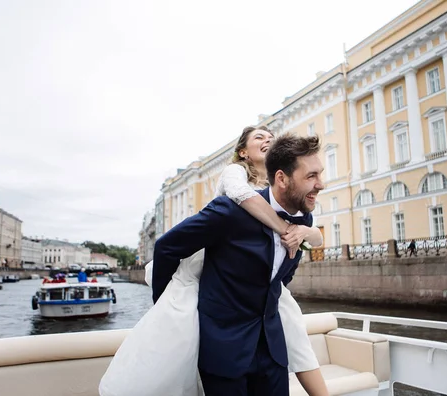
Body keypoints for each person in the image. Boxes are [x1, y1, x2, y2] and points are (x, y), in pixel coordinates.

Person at [99, 131, 327, 396]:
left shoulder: (304, 222)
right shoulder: (230, 211)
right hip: (224, 353)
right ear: (282, 178)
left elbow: (279, 278)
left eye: (319, 174)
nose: (321, 184)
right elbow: (166, 247)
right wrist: (167, 304)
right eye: (311, 176)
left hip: (273, 353)